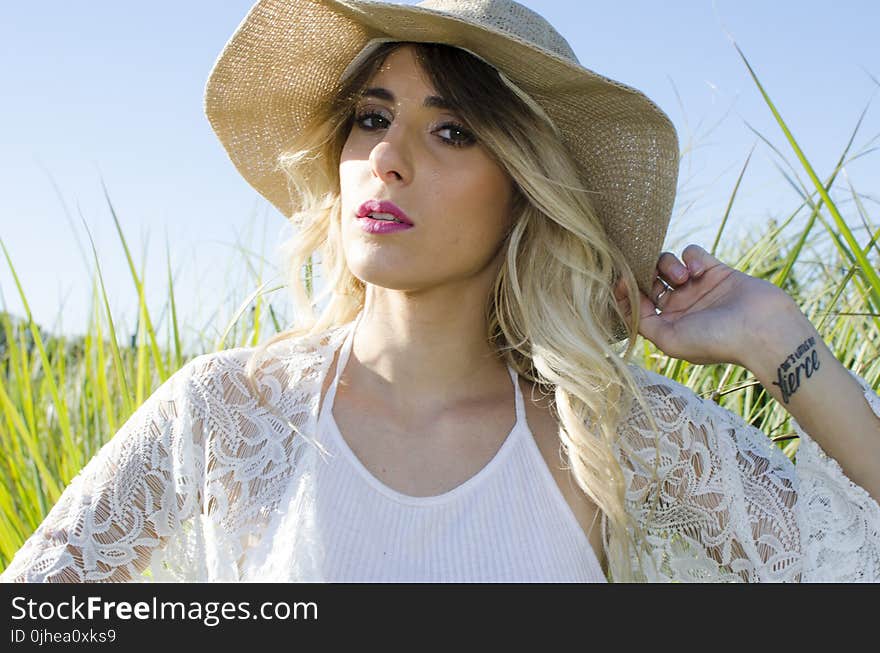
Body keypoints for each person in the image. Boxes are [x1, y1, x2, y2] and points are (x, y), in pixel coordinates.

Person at [2, 0, 879, 583]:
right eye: (372, 117)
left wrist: (777, 341)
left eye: (451, 129)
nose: (387, 156)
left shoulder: (613, 431)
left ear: (525, 185)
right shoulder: (224, 414)